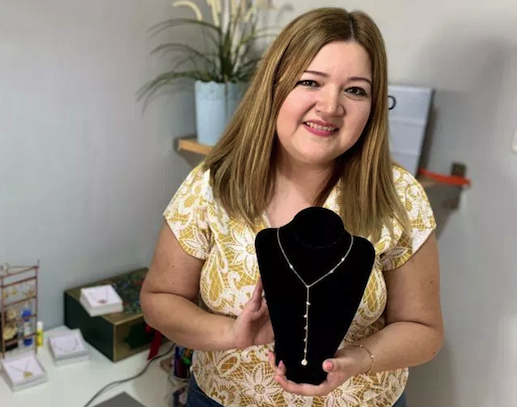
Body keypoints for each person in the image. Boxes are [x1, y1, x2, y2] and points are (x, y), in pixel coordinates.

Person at [139, 6, 444, 407]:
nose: (330, 106)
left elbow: (424, 330)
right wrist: (231, 334)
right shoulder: (213, 185)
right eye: (310, 81)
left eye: (355, 90)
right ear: (274, 86)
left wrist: (356, 361)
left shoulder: (399, 195)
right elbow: (159, 299)